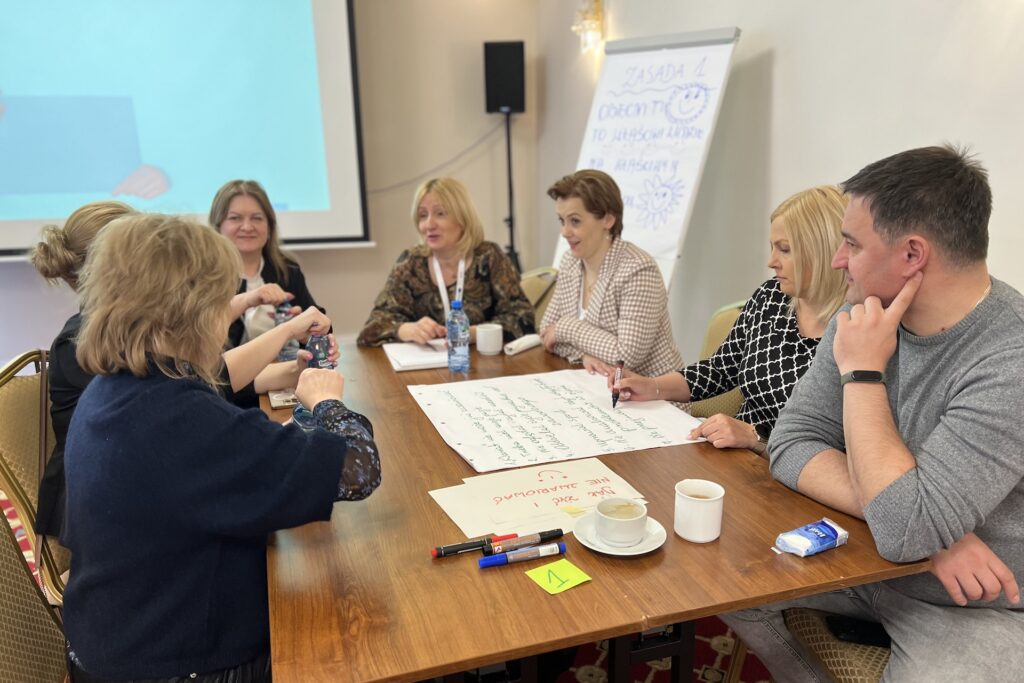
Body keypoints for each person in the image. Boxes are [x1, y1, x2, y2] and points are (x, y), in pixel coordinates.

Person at [723, 146, 1024, 681]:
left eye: (852, 244)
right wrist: (938, 535)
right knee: (719, 580)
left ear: (912, 254)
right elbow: (792, 443)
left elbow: (907, 528)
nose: (838, 260)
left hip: (974, 600)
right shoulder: (861, 311)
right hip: (869, 553)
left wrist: (863, 374)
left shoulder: (1010, 359)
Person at [62, 213, 381, 681]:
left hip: (112, 644)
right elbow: (360, 468)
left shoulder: (113, 388)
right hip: (181, 664)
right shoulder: (181, 420)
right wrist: (328, 402)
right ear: (199, 310)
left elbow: (206, 400)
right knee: (361, 642)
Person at [29, 202, 336, 541]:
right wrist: (324, 402)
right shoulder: (150, 393)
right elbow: (346, 470)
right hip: (114, 523)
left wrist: (288, 372)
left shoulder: (129, 369)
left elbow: (203, 379)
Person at [615, 186, 849, 455]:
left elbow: (839, 444)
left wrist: (757, 439)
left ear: (823, 251)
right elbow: (720, 369)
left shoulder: (854, 329)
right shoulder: (771, 296)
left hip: (798, 477)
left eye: (785, 250)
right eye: (772, 247)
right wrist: (653, 387)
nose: (771, 261)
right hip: (738, 458)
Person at [357, 176, 535, 346]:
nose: (429, 224)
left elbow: (523, 318)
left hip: (481, 365)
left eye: (440, 214)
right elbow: (371, 328)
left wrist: (473, 333)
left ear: (462, 218)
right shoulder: (410, 262)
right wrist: (405, 330)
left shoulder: (488, 256)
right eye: (422, 215)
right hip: (424, 370)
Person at [541, 170, 682, 376]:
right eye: (562, 221)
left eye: (575, 221)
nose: (564, 232)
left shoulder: (638, 270)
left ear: (608, 220)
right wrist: (584, 355)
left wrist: (567, 328)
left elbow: (626, 356)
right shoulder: (570, 262)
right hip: (596, 385)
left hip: (654, 398)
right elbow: (546, 332)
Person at [209, 179, 321, 347]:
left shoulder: (287, 270)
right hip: (226, 372)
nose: (247, 227)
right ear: (218, 227)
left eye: (257, 218)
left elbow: (322, 330)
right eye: (235, 218)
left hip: (286, 369)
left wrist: (307, 332)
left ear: (269, 226)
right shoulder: (202, 276)